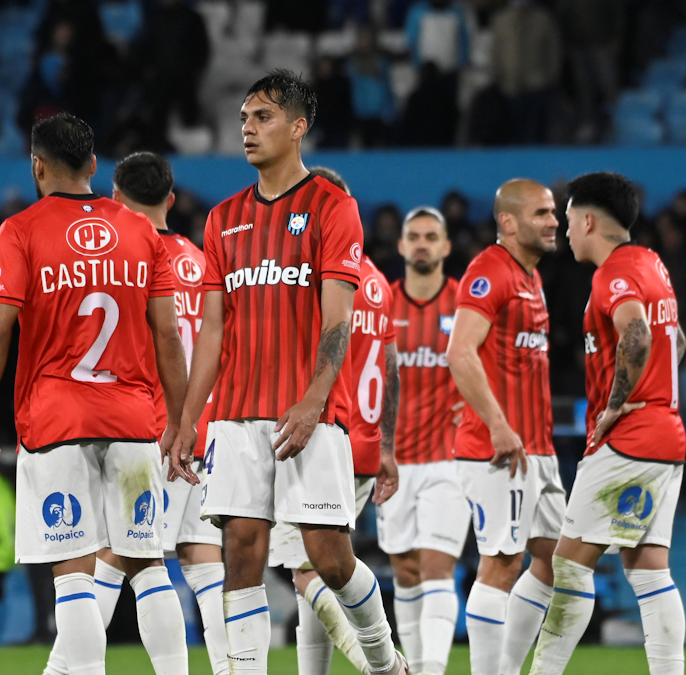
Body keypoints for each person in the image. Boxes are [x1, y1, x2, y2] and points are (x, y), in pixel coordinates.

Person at [173, 70, 406, 675]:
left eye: (263, 117)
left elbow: (339, 320)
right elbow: (213, 331)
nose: (247, 128)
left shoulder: (333, 207)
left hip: (307, 415)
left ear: (299, 127)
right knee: (241, 551)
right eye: (245, 117)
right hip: (236, 416)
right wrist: (188, 419)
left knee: (328, 558)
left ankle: (383, 662)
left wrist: (312, 400)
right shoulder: (222, 219)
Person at [0, 114, 191, 675]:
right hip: (134, 420)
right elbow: (167, 335)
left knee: (74, 571)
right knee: (148, 565)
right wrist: (180, 424)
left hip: (56, 420)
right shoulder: (139, 231)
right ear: (93, 166)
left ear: (37, 166)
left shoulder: (22, 229)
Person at [40, 150, 226, 675]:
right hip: (207, 429)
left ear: (115, 197)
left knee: (117, 556)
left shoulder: (126, 257)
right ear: (171, 199)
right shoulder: (201, 261)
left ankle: (60, 670)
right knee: (200, 557)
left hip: (155, 428)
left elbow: (147, 343)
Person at [529, 172, 686, 675]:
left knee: (570, 562)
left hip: (630, 440)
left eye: (570, 220)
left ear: (590, 219)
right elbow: (676, 341)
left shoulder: (614, 272)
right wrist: (656, 393)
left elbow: (636, 336)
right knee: (647, 569)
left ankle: (544, 671)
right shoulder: (652, 264)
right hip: (666, 435)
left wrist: (617, 404)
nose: (566, 231)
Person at [266, 166, 402, 675]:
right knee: (312, 583)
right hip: (364, 445)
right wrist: (387, 445)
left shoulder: (311, 279)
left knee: (309, 573)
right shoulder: (377, 283)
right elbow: (388, 367)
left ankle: (384, 666)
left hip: (319, 436)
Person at [446, 179, 564, 675]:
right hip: (499, 448)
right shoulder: (490, 270)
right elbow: (459, 351)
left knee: (557, 561)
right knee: (500, 565)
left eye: (554, 212)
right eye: (541, 213)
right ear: (509, 222)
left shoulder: (529, 276)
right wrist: (496, 423)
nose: (554, 221)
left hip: (537, 449)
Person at [380, 207, 469, 675]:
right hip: (392, 462)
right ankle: (413, 666)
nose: (421, 244)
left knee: (437, 565)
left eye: (431, 236)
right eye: (413, 236)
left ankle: (432, 668)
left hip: (449, 460)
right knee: (406, 572)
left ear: (446, 246)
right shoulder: (382, 304)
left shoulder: (464, 304)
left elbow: (490, 368)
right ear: (400, 246)